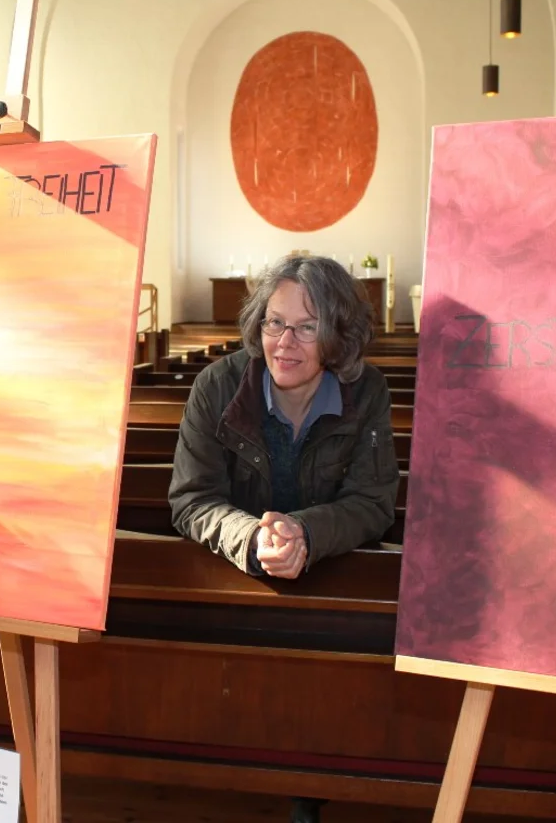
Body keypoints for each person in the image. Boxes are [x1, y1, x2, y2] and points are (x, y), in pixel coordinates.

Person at [168, 255, 400, 822]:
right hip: (239, 583)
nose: (284, 342)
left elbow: (373, 502)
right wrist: (253, 538)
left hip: (334, 582)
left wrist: (306, 531)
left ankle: (312, 779)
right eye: (274, 323)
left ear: (339, 335)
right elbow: (190, 498)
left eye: (307, 325)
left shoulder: (365, 389)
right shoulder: (216, 387)